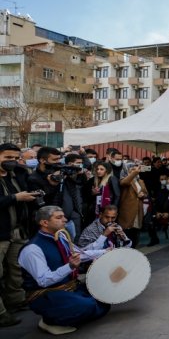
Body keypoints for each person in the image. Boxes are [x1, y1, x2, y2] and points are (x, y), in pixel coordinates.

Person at [18, 206, 110, 335]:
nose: (65, 220)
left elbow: (80, 255)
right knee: (88, 305)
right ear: (44, 223)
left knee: (104, 296)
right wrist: (70, 267)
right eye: (59, 217)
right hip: (46, 295)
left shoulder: (60, 237)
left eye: (64, 216)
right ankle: (50, 321)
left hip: (69, 288)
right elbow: (44, 280)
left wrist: (105, 252)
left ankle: (68, 312)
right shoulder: (32, 249)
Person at [0, 143, 37, 327]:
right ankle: (1, 314)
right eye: (8, 158)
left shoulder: (17, 175)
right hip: (1, 234)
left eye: (15, 158)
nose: (12, 162)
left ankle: (16, 300)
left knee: (16, 269)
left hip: (17, 231)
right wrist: (15, 198)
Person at [117, 163, 149, 248]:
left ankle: (133, 250)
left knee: (135, 231)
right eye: (132, 170)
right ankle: (127, 251)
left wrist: (143, 194)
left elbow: (146, 193)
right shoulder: (124, 179)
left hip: (138, 209)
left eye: (136, 170)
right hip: (127, 210)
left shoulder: (140, 180)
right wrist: (134, 173)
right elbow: (124, 183)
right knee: (127, 231)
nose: (135, 172)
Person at [85, 161, 121, 227]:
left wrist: (113, 209)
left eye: (101, 169)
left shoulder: (112, 179)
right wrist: (93, 193)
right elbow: (86, 197)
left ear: (107, 171)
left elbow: (117, 195)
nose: (98, 171)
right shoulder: (92, 180)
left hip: (108, 210)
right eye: (97, 169)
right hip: (94, 211)